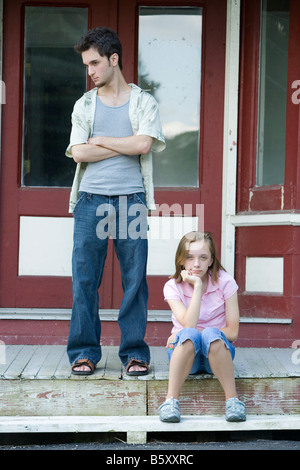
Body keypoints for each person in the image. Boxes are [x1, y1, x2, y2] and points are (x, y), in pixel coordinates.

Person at [65, 27, 165, 376]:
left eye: (94, 63)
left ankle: (135, 353)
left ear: (114, 59)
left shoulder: (143, 102)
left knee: (134, 280)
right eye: (86, 64)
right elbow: (78, 152)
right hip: (90, 200)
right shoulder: (84, 104)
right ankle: (84, 352)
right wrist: (124, 142)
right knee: (84, 280)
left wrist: (104, 140)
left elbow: (143, 146)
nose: (90, 71)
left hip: (131, 201)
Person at [159, 231, 246, 422]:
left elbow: (232, 332)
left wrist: (202, 333)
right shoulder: (172, 286)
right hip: (185, 353)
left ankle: (233, 401)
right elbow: (188, 325)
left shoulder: (225, 282)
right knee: (189, 334)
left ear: (211, 260)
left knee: (211, 335)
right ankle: (170, 401)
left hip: (216, 353)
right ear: (181, 260)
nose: (196, 264)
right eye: (190, 257)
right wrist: (197, 286)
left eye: (203, 257)